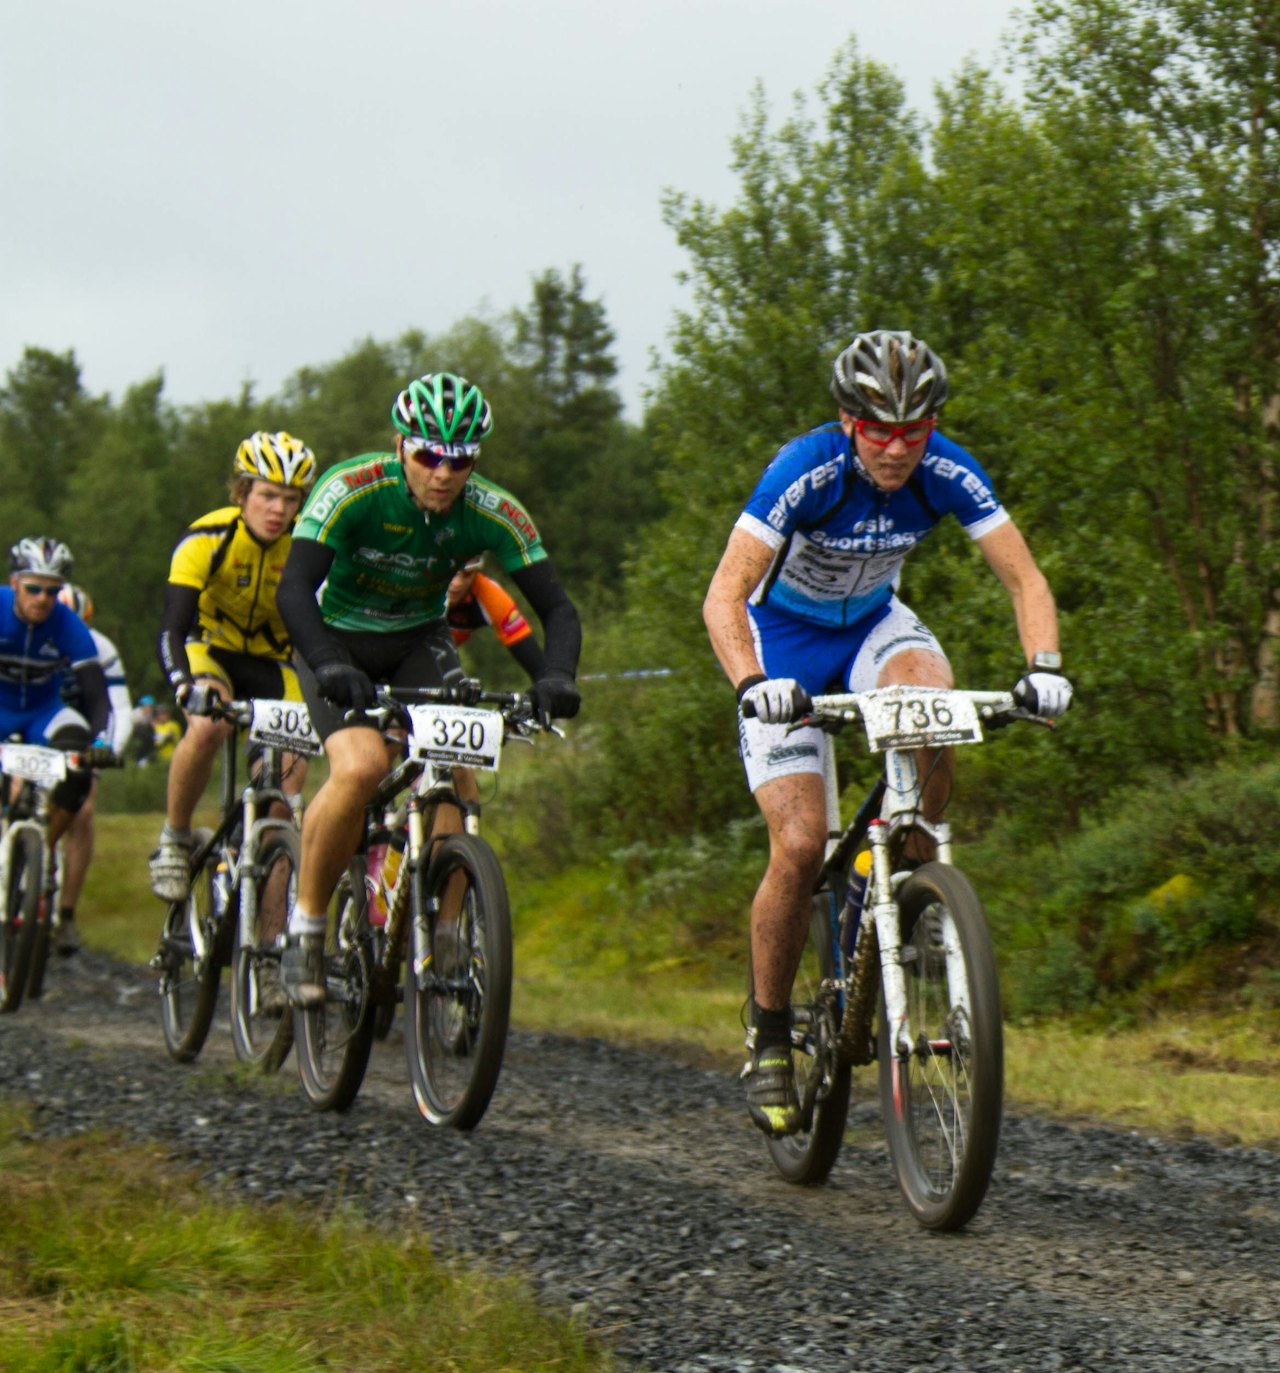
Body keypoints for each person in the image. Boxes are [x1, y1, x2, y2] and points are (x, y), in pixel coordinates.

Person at [703, 329, 1072, 1138]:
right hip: (783, 644)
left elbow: (1025, 578)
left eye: (915, 429)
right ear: (849, 421)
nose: (899, 448)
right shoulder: (803, 469)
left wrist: (1044, 665)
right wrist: (753, 685)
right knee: (800, 842)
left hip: (874, 625)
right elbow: (723, 595)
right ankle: (770, 1031)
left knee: (935, 705)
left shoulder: (947, 468)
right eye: (880, 430)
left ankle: (891, 871)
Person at [275, 370, 581, 1006]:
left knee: (460, 769)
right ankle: (304, 928)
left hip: (417, 640)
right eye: (428, 456)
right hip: (334, 640)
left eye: (460, 461)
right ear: (400, 445)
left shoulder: (493, 511)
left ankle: (446, 931)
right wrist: (327, 661)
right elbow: (294, 589)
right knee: (360, 767)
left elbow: (556, 609)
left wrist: (555, 677)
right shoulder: (352, 488)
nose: (443, 474)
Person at [148, 431, 317, 902]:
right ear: (242, 493)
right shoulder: (207, 538)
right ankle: (175, 839)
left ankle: (266, 933)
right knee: (207, 726)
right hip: (212, 653)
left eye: (290, 499)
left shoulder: (307, 548)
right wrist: (183, 685)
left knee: (287, 787)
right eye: (267, 495)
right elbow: (172, 627)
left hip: (275, 665)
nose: (278, 510)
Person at [0, 539, 110, 956]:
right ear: (14, 583)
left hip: (43, 712)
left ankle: (42, 852)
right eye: (33, 588)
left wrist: (99, 741)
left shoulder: (68, 624)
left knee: (78, 760)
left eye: (52, 590)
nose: (42, 599)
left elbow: (96, 695)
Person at [54, 583, 133, 955]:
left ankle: (66, 915)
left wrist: (105, 749)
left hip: (82, 735)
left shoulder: (102, 649)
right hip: (33, 727)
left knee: (83, 813)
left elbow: (119, 709)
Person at [447, 555, 547, 682]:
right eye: (448, 575)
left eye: (467, 574)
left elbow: (537, 666)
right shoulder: (421, 585)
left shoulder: (490, 595)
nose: (456, 583)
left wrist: (548, 684)